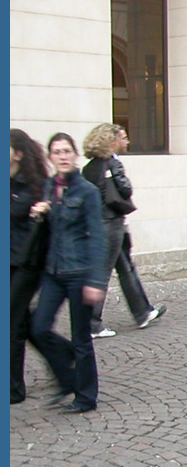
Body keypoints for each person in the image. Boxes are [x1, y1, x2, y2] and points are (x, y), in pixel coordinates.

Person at [29, 133, 107, 414]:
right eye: (56, 152)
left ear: (75, 155)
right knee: (38, 327)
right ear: (50, 157)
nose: (62, 156)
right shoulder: (49, 187)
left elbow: (98, 237)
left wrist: (96, 281)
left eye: (66, 151)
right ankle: (67, 369)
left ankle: (86, 397)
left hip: (79, 272)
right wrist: (39, 213)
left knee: (81, 337)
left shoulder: (86, 191)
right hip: (53, 271)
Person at [81, 123, 166, 338]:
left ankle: (143, 312)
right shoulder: (112, 163)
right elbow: (125, 189)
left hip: (99, 223)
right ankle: (92, 324)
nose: (127, 142)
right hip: (111, 223)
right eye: (123, 138)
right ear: (111, 141)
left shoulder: (89, 167)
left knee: (125, 267)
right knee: (103, 272)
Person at [10, 129, 50, 404]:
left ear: (18, 153)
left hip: (24, 264)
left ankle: (14, 389)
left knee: (12, 324)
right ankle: (63, 357)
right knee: (24, 323)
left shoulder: (30, 186)